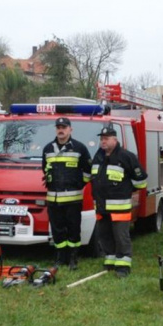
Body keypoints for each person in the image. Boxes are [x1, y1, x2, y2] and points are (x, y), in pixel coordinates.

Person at [90, 124, 147, 278]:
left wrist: (127, 189)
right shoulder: (98, 156)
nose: (103, 142)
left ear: (115, 139)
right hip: (101, 206)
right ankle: (110, 260)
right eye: (102, 139)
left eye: (106, 139)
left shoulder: (126, 156)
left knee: (121, 236)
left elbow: (141, 181)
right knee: (104, 235)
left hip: (119, 207)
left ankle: (123, 266)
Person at [41, 117, 92, 270]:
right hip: (53, 199)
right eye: (58, 127)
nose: (60, 130)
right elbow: (45, 169)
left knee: (73, 229)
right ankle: (60, 257)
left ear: (71, 129)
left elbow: (88, 171)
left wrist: (78, 183)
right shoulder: (48, 149)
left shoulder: (80, 148)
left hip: (73, 198)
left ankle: (73, 258)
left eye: (64, 127)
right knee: (57, 229)